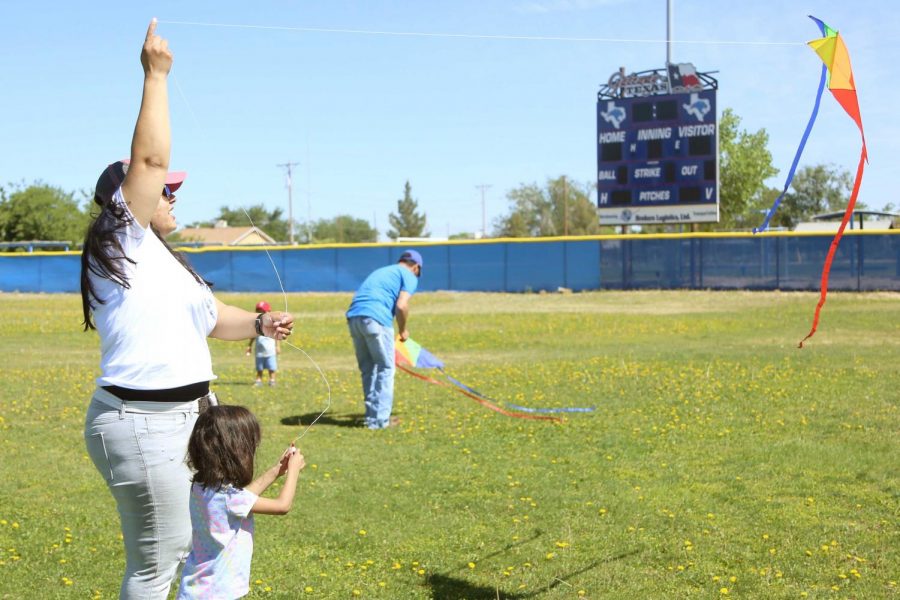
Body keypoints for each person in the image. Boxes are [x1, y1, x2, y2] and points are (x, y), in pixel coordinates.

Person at [80, 20, 294, 599]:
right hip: (144, 423)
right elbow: (147, 162)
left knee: (192, 548)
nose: (172, 194)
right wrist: (156, 75)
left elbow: (209, 317)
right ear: (127, 201)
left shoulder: (163, 259)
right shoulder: (119, 236)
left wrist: (256, 324)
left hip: (188, 419)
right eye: (164, 190)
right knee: (161, 558)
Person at [176, 406, 305, 599]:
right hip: (217, 592)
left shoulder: (203, 485)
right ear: (236, 451)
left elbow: (243, 499)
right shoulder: (229, 497)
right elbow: (282, 506)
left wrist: (277, 471)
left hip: (199, 588)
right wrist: (293, 470)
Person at [345, 250, 422, 429]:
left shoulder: (383, 271)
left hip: (354, 317)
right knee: (386, 368)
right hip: (376, 319)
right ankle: (379, 421)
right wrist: (403, 330)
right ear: (416, 267)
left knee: (368, 369)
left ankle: (372, 419)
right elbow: (402, 305)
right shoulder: (408, 275)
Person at [245, 301, 280, 386]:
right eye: (258, 311)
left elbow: (276, 335)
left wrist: (278, 346)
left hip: (270, 351)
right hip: (259, 351)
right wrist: (249, 345)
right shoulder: (256, 324)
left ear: (268, 311)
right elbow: (253, 336)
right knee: (259, 368)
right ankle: (258, 380)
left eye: (262, 311)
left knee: (271, 367)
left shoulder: (272, 323)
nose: (260, 313)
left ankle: (272, 380)